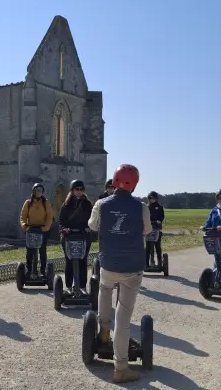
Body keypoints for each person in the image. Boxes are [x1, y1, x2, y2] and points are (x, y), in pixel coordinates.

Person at [88, 164, 152, 383]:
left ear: (114, 181)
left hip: (109, 263)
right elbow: (147, 230)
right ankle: (121, 368)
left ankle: (104, 329)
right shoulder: (141, 206)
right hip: (133, 267)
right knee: (123, 318)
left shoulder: (101, 204)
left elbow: (93, 226)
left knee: (104, 289)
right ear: (134, 184)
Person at [58, 179, 93, 290]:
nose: (79, 191)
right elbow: (61, 221)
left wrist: (89, 228)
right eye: (76, 189)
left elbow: (92, 220)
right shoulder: (66, 205)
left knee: (83, 260)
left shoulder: (87, 204)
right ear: (72, 190)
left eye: (81, 189)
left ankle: (82, 286)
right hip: (69, 236)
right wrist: (64, 229)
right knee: (69, 260)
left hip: (83, 235)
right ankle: (69, 286)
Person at [20, 183, 54, 277]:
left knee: (42, 251)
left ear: (42, 192)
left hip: (42, 229)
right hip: (31, 229)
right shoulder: (28, 202)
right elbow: (23, 216)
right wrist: (24, 225)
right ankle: (29, 270)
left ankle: (42, 271)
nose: (38, 192)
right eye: (37, 190)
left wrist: (46, 227)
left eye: (40, 190)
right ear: (33, 191)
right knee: (30, 251)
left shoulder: (45, 202)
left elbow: (50, 216)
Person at [146, 191, 165, 267]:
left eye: (153, 198)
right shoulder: (147, 207)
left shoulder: (160, 207)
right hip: (148, 229)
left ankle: (160, 263)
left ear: (156, 198)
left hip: (157, 228)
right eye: (150, 198)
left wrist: (159, 220)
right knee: (148, 247)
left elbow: (162, 216)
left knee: (157, 247)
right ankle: (147, 264)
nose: (152, 199)